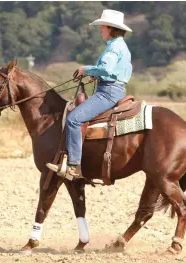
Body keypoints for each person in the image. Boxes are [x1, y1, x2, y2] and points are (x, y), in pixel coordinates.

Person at [46, 9, 133, 179]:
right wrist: (96, 75)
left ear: (110, 28)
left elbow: (107, 68)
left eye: (102, 27)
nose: (100, 30)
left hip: (108, 92)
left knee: (73, 119)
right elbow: (112, 71)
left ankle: (73, 166)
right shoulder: (121, 45)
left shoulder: (114, 47)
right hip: (113, 88)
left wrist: (86, 69)